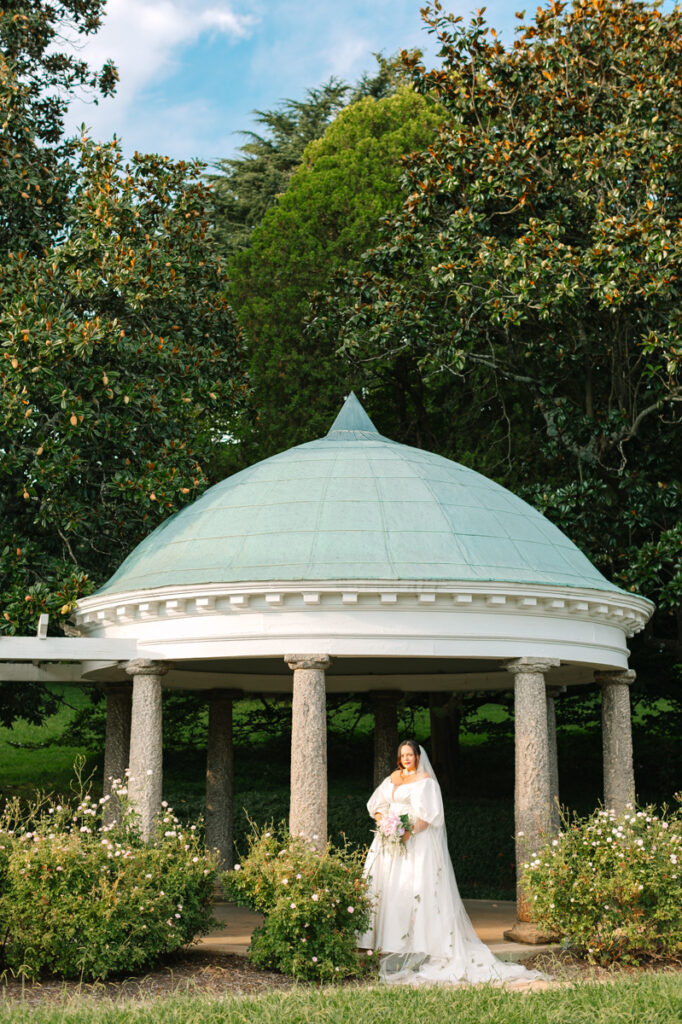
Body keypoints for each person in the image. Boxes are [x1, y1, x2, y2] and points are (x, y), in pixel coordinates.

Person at [357, 739, 545, 986]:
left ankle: (415, 944)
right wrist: (385, 823)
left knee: (416, 891)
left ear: (417, 756)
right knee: (389, 889)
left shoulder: (426, 781)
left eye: (409, 755)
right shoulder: (393, 778)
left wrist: (406, 833)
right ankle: (384, 942)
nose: (406, 758)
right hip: (387, 843)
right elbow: (376, 804)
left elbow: (429, 816)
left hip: (414, 842)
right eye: (402, 755)